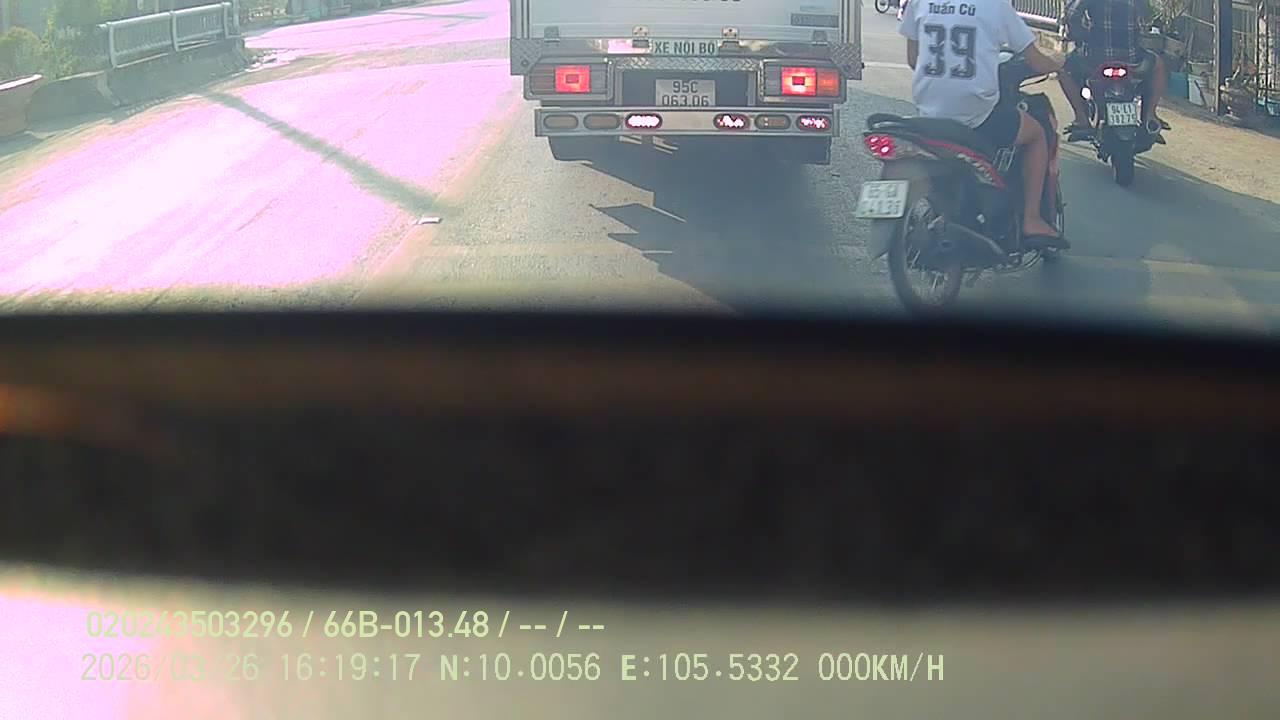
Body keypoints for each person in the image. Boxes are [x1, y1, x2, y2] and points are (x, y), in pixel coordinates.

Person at [898, 0, 1066, 245]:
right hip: (976, 115)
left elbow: (914, 59)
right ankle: (1032, 219)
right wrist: (1059, 62)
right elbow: (1037, 62)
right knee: (1037, 134)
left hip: (929, 113)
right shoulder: (995, 5)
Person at [1059, 0, 1168, 139]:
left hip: (1095, 57)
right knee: (1158, 64)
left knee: (1063, 68)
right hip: (1131, 59)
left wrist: (1081, 35)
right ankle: (1150, 116)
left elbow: (1072, 14)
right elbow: (1147, 16)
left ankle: (1081, 119)